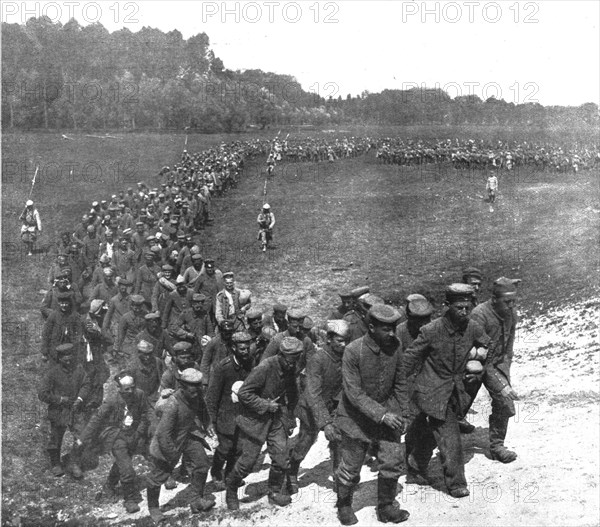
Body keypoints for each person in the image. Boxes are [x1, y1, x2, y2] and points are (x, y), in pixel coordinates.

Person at [401, 284, 491, 498]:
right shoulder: (431, 331)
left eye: (468, 307)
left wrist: (479, 369)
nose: (464, 311)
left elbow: (489, 346)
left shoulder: (473, 327)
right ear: (447, 305)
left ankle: (415, 462)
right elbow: (409, 360)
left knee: (428, 433)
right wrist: (399, 391)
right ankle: (456, 483)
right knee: (450, 437)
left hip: (457, 392)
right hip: (431, 392)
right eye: (459, 307)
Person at [334, 304, 409, 525]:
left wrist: (404, 413)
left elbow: (401, 382)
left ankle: (386, 506)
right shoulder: (353, 351)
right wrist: (383, 415)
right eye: (386, 329)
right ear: (371, 327)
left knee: (392, 460)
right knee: (351, 466)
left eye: (394, 328)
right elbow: (354, 393)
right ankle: (344, 505)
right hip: (355, 417)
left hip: (387, 412)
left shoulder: (395, 346)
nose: (392, 333)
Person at [225, 337, 303, 510]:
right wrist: (265, 405)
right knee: (248, 462)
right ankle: (231, 490)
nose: (293, 364)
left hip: (277, 419)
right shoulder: (265, 367)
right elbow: (244, 393)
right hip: (256, 421)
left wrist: (289, 419)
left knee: (281, 459)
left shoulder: (292, 368)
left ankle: (274, 492)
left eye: (296, 359)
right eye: (291, 360)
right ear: (282, 355)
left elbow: (292, 395)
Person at [288, 320, 350, 495]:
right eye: (340, 341)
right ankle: (291, 472)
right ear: (329, 339)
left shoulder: (345, 357)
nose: (344, 345)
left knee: (338, 441)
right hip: (311, 408)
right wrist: (325, 423)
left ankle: (340, 479)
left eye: (346, 341)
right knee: (305, 442)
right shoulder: (318, 359)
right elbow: (312, 393)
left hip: (333, 406)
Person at [145, 368, 216, 522]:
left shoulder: (196, 395)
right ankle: (153, 508)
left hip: (188, 436)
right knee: (157, 478)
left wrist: (208, 423)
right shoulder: (173, 404)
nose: (197, 390)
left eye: (198, 385)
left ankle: (196, 500)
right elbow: (163, 434)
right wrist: (172, 455)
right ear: (182, 385)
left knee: (202, 464)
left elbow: (203, 409)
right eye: (193, 386)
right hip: (169, 442)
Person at [79, 371, 150, 513]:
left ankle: (109, 485)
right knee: (128, 470)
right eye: (126, 389)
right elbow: (96, 419)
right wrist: (83, 438)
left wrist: (139, 432)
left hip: (134, 434)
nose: (130, 392)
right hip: (116, 436)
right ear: (119, 389)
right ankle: (129, 499)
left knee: (123, 462)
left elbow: (144, 414)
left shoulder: (140, 395)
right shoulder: (111, 400)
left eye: (132, 387)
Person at [468, 277, 521, 463]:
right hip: (471, 366)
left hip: (495, 365)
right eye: (507, 302)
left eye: (514, 301)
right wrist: (500, 383)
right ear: (494, 298)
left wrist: (504, 378)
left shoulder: (511, 313)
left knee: (504, 403)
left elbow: (508, 348)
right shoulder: (479, 315)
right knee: (454, 410)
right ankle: (417, 456)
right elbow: (478, 357)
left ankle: (497, 446)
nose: (511, 306)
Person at [205, 331, 255, 491]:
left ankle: (229, 475)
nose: (245, 352)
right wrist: (211, 421)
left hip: (243, 415)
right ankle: (216, 473)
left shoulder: (251, 364)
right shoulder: (222, 368)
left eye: (247, 348)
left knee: (238, 448)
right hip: (225, 416)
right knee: (224, 448)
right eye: (242, 349)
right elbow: (212, 397)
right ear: (233, 348)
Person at [38, 343, 90, 477]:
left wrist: (80, 399)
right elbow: (42, 394)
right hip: (59, 411)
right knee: (56, 438)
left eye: (70, 355)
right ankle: (56, 463)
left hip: (76, 409)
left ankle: (74, 462)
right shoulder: (52, 373)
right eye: (64, 356)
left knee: (80, 437)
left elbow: (86, 384)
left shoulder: (79, 370)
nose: (68, 359)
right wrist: (60, 399)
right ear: (59, 358)